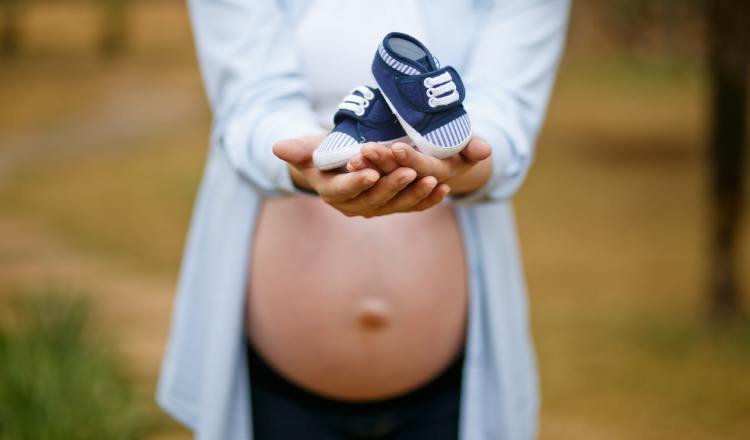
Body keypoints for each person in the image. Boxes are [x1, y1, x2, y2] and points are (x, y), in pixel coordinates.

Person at [157, 0, 570, 439]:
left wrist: (462, 162)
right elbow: (250, 104)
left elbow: (507, 116)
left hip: (452, 390)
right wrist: (307, 164)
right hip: (274, 388)